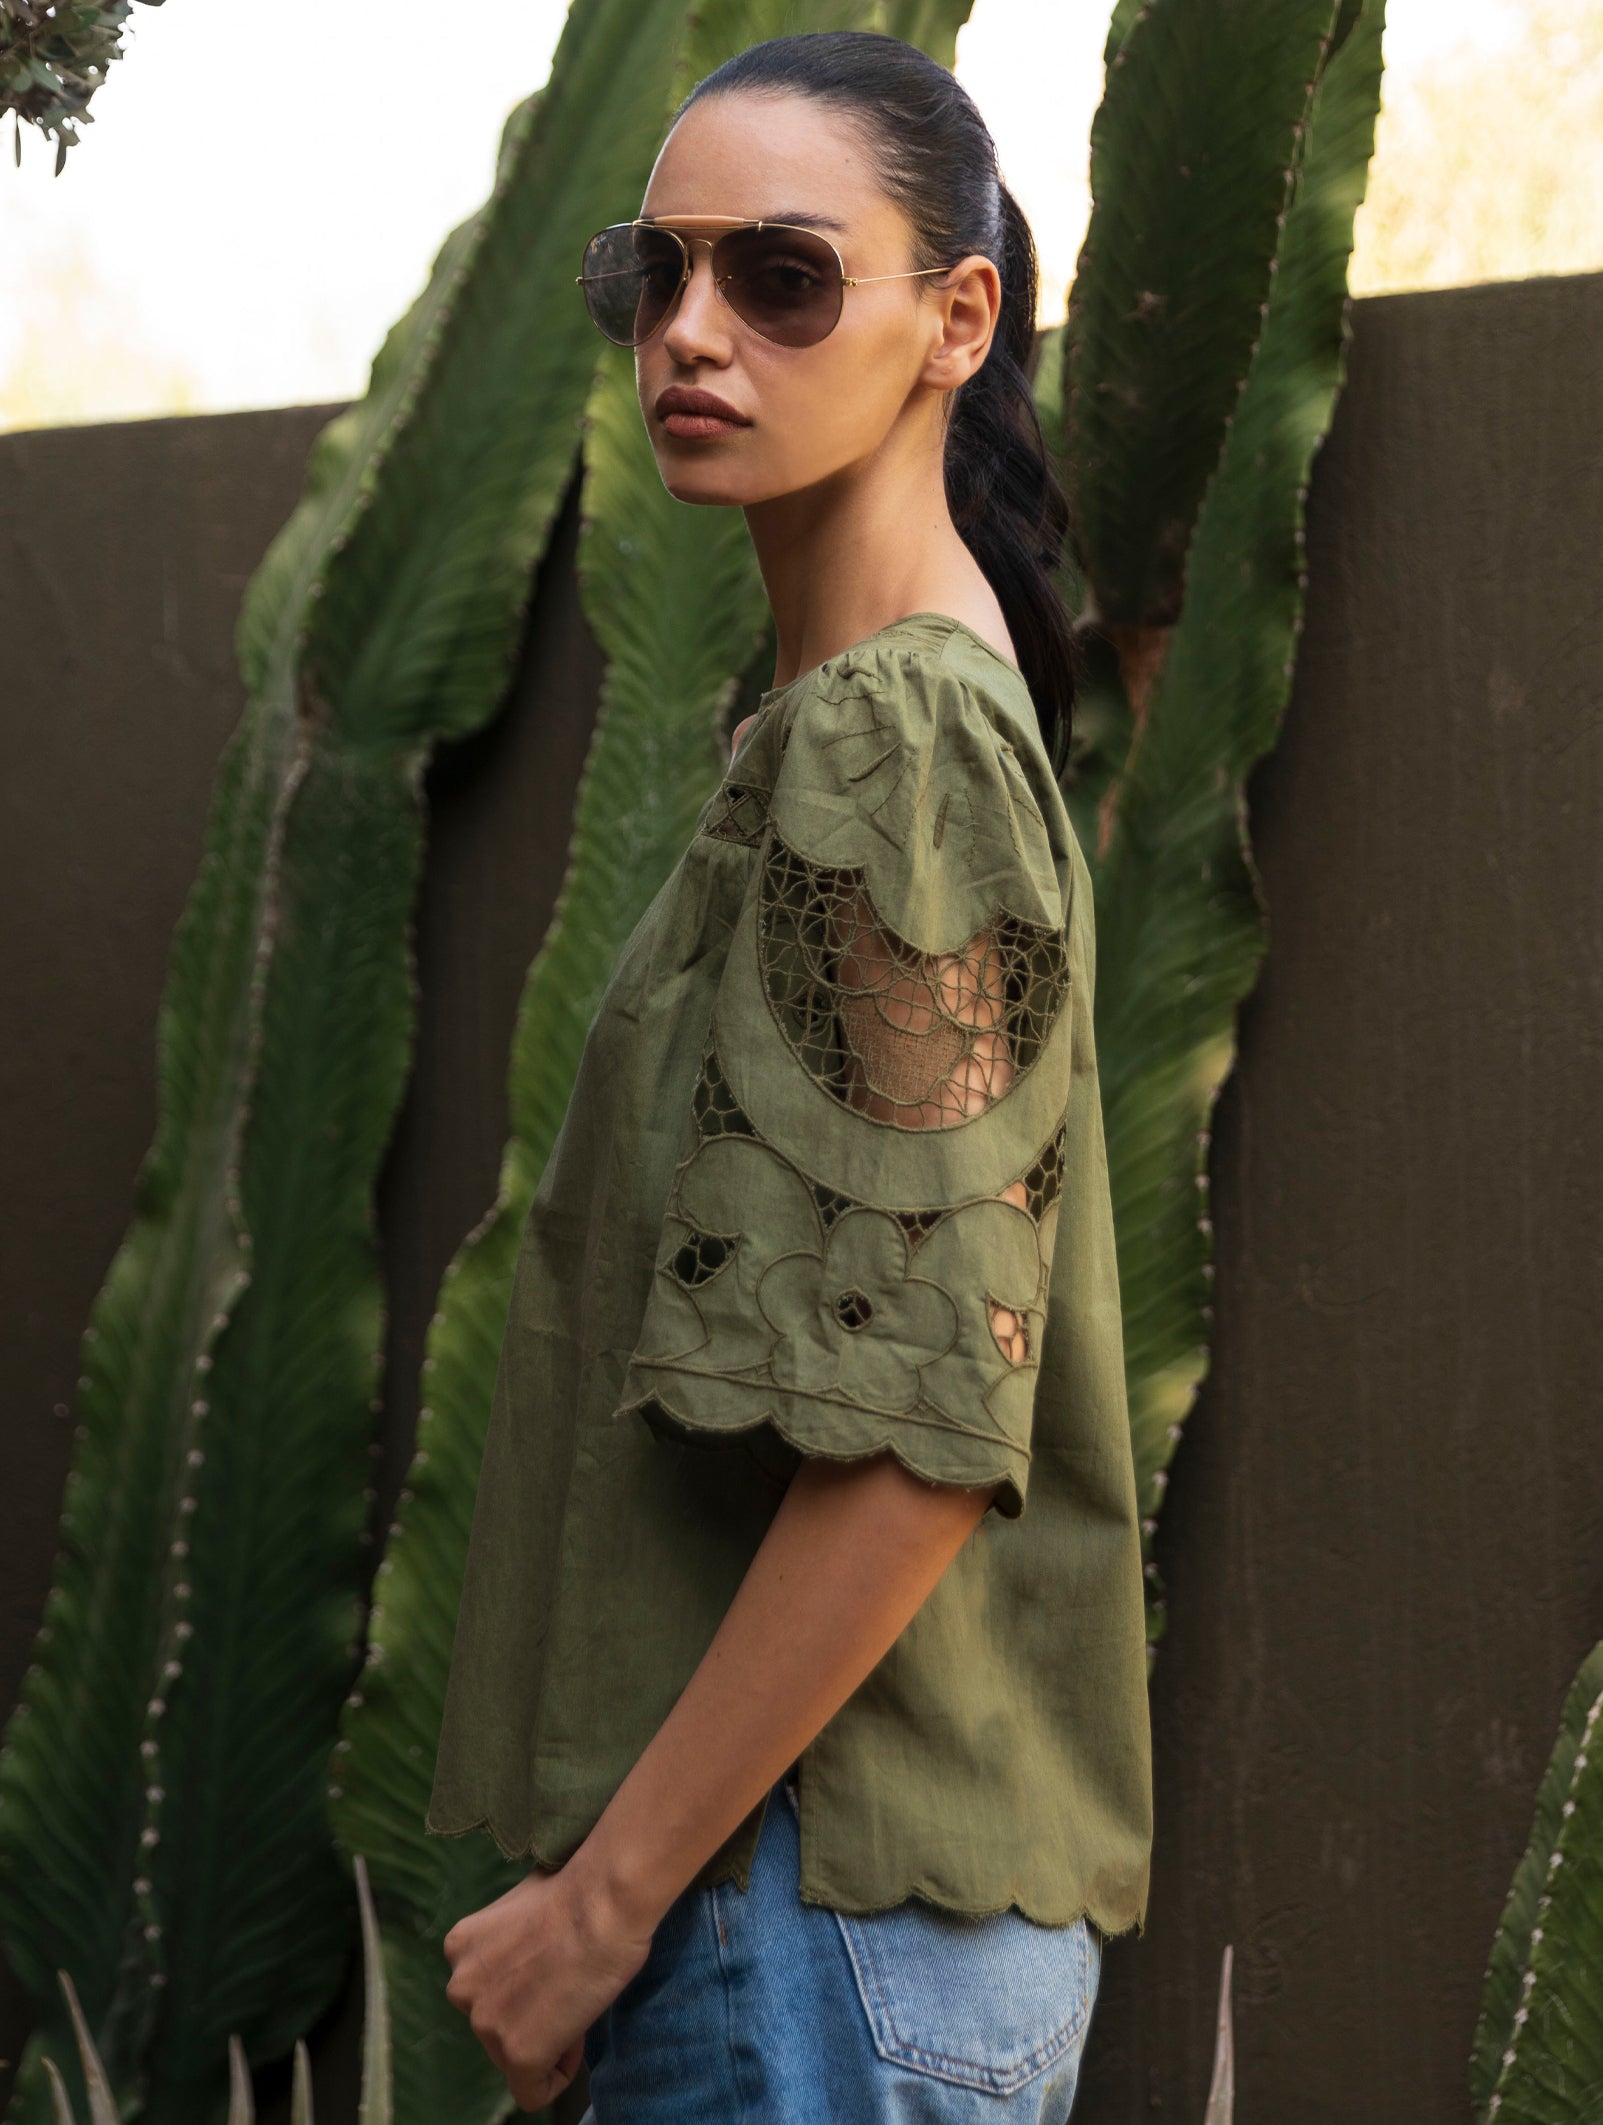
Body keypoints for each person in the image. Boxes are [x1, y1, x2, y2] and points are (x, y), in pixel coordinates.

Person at [428, 28, 1154, 2122]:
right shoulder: (846, 721)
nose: (690, 330)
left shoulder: (895, 741)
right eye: (649, 274)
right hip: (821, 1925)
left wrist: (604, 1904)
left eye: (777, 276)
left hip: (804, 1911)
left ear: (956, 320)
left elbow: (917, 1428)